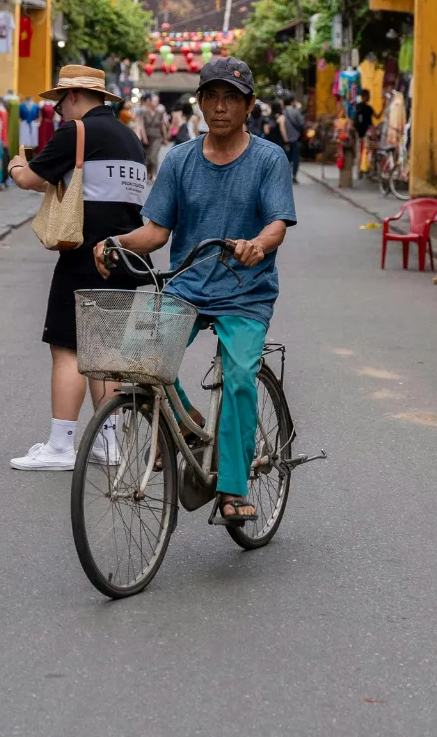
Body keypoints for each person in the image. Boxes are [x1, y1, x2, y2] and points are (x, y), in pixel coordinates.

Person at [93, 57, 297, 524]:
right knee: (136, 355)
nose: (220, 107)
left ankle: (232, 487)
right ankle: (185, 421)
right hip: (187, 284)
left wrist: (257, 244)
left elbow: (278, 225)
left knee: (240, 374)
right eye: (212, 97)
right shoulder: (180, 159)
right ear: (200, 102)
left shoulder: (268, 158)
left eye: (231, 98)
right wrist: (114, 242)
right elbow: (155, 232)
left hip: (246, 291)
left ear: (248, 105)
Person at [4, 65, 149, 471]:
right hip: (125, 257)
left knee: (68, 347)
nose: (58, 111)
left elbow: (32, 179)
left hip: (85, 256)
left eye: (58, 104)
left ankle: (60, 445)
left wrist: (17, 165)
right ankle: (108, 443)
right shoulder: (130, 138)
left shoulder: (77, 132)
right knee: (104, 350)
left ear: (72, 97)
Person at [138, 94, 168, 179]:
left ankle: (154, 174)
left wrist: (165, 137)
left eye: (157, 101)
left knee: (153, 156)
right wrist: (144, 137)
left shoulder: (160, 113)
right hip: (147, 137)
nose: (156, 103)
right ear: (149, 101)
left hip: (157, 137)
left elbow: (162, 125)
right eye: (154, 101)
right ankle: (148, 172)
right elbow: (142, 126)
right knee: (147, 157)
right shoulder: (144, 112)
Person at [280, 96, 306, 183]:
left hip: (285, 140)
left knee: (285, 158)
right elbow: (302, 124)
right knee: (295, 158)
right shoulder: (296, 112)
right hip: (296, 138)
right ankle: (294, 175)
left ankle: (285, 175)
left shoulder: (282, 112)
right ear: (292, 102)